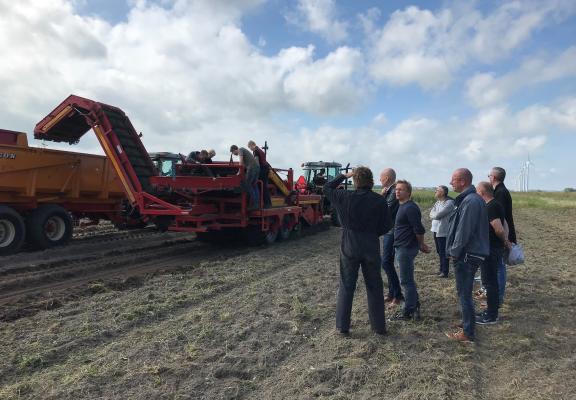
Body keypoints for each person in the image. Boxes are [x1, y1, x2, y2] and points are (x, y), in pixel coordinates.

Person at [324, 167, 391, 336]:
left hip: (349, 244)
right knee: (374, 286)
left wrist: (343, 175)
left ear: (355, 181)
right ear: (371, 180)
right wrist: (372, 233)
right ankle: (379, 327)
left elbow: (327, 188)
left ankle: (342, 327)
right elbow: (386, 225)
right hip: (370, 245)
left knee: (347, 285)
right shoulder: (379, 200)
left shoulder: (345, 197)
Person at [445, 168, 489, 343]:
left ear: (463, 181)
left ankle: (468, 333)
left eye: (453, 180)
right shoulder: (471, 199)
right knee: (464, 291)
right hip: (469, 253)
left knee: (464, 293)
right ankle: (466, 322)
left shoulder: (470, 201)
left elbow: (464, 231)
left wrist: (454, 252)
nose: (450, 183)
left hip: (467, 254)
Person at [388, 180, 431, 321]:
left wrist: (421, 244)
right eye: (396, 189)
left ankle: (408, 311)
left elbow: (418, 229)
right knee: (407, 279)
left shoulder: (410, 207)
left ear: (408, 192)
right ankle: (414, 304)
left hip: (406, 248)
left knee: (406, 281)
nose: (397, 191)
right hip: (401, 247)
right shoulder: (402, 206)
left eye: (401, 189)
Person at [476, 181, 512, 324]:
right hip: (492, 248)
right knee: (490, 282)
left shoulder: (491, 206)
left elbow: (499, 228)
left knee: (490, 282)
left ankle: (491, 315)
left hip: (491, 249)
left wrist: (504, 241)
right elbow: (504, 225)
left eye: (477, 191)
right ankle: (491, 310)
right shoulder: (494, 205)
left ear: (482, 193)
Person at [489, 167, 516, 306]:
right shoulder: (501, 191)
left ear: (493, 177)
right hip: (503, 234)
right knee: (498, 266)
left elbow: (501, 219)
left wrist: (505, 239)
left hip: (501, 235)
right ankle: (495, 297)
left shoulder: (500, 193)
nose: (488, 178)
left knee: (499, 267)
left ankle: (497, 299)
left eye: (489, 175)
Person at [379, 168, 403, 307]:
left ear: (387, 178)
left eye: (381, 178)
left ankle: (397, 295)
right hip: (390, 230)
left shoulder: (394, 191)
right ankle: (392, 292)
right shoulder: (391, 190)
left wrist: (381, 197)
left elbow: (386, 210)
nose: (379, 180)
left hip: (393, 231)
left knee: (386, 262)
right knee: (387, 262)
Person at [430, 185, 455, 278]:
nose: (435, 191)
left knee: (443, 251)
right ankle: (441, 269)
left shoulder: (449, 203)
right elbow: (431, 213)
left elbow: (438, 215)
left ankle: (445, 272)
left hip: (443, 231)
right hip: (435, 230)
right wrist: (434, 215)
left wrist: (434, 215)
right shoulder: (438, 202)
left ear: (443, 192)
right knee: (439, 251)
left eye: (437, 190)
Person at [230, 145, 260, 210]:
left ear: (234, 150)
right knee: (254, 185)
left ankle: (254, 205)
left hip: (251, 168)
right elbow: (243, 165)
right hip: (257, 168)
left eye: (233, 152)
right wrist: (238, 172)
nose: (233, 154)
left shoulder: (240, 150)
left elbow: (240, 162)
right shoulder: (244, 151)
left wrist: (239, 173)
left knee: (248, 185)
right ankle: (257, 204)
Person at [247, 140, 271, 208]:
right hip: (266, 168)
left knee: (258, 185)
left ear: (251, 145)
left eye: (249, 147)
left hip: (262, 169)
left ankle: (258, 203)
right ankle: (267, 203)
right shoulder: (260, 150)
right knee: (264, 187)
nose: (250, 149)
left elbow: (257, 163)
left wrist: (255, 172)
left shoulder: (256, 151)